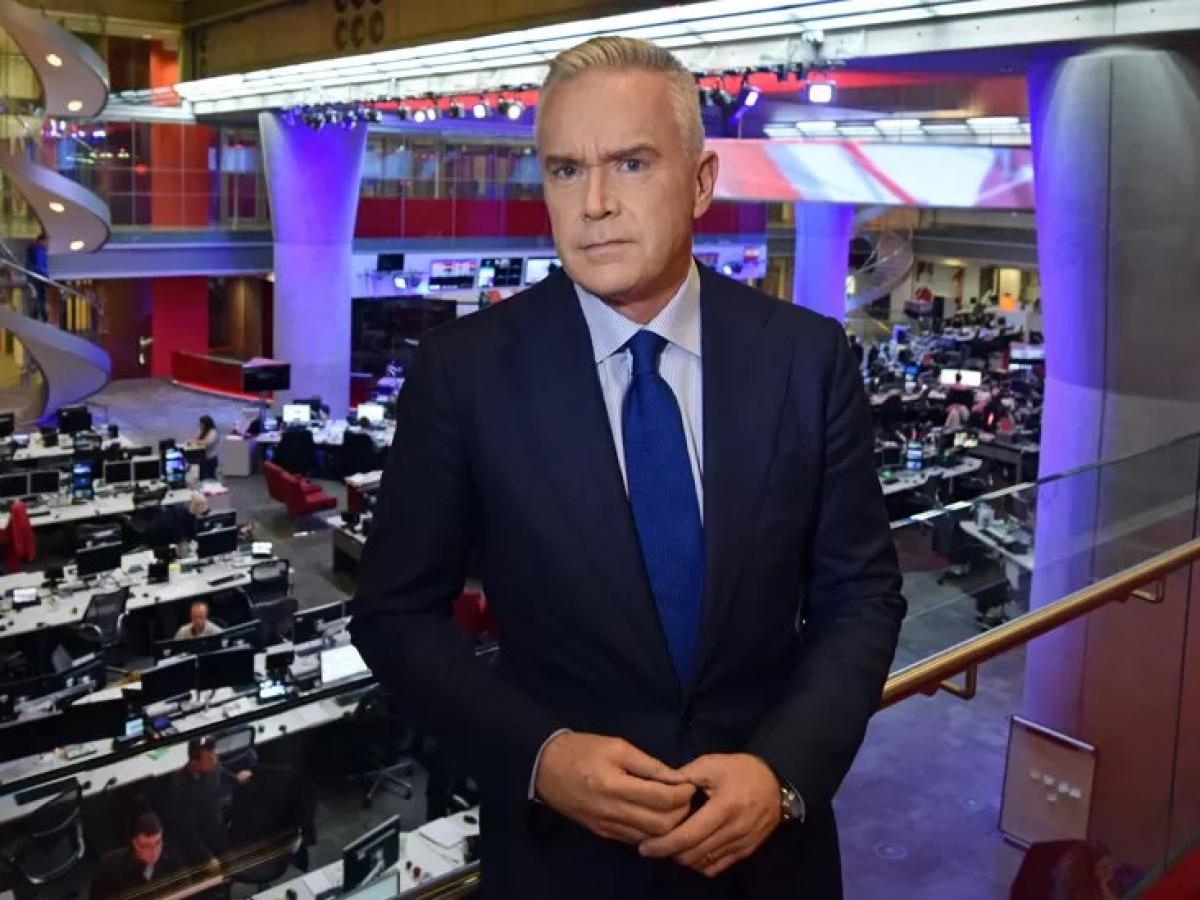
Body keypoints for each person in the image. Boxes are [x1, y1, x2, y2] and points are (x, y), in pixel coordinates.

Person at [351, 36, 904, 900]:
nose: (595, 203)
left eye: (631, 163)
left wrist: (783, 773)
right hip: (561, 863)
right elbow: (393, 616)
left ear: (701, 181)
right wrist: (540, 757)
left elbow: (861, 599)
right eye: (566, 170)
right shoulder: (464, 372)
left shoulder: (805, 358)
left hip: (768, 864)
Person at [165, 736, 252, 872]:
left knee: (229, 869)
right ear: (194, 763)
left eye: (215, 755)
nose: (215, 760)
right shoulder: (182, 789)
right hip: (198, 843)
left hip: (216, 830)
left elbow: (220, 772)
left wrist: (236, 779)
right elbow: (188, 832)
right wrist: (207, 858)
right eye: (210, 758)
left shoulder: (212, 766)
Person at [90, 811, 183, 900]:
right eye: (146, 846)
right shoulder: (111, 866)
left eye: (157, 843)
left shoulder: (174, 859)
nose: (154, 852)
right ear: (135, 844)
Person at [24, 232, 49, 322]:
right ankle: (36, 316)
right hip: (36, 276)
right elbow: (37, 264)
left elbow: (43, 265)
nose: (47, 243)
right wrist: (44, 275)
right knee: (36, 297)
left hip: (40, 276)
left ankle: (42, 316)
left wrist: (46, 276)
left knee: (41, 297)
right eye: (46, 241)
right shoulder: (35, 248)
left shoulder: (42, 250)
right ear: (41, 240)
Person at [194, 416, 219, 481]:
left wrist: (197, 442)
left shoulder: (213, 432)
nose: (199, 425)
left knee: (209, 478)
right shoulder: (203, 431)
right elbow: (198, 440)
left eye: (201, 424)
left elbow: (208, 442)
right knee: (203, 478)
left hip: (210, 459)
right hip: (203, 458)